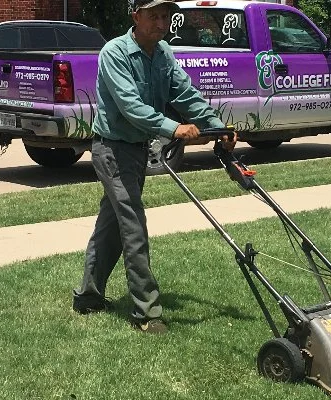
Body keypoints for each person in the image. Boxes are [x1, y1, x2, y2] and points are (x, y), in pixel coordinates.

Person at [72, 0, 234, 334]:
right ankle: (146, 311)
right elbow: (130, 106)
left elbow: (186, 94)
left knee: (113, 225)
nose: (161, 23)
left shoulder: (162, 54)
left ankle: (88, 296)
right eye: (154, 16)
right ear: (136, 16)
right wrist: (175, 128)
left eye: (166, 17)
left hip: (136, 151)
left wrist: (217, 126)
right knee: (133, 225)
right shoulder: (114, 53)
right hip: (111, 150)